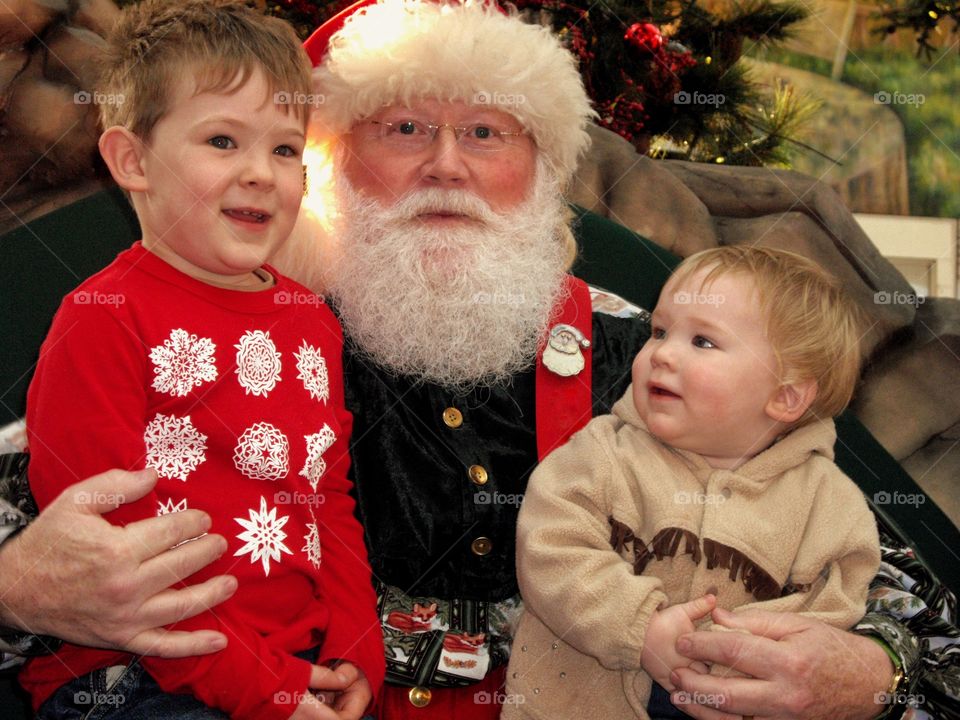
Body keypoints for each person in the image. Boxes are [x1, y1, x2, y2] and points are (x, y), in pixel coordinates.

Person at [1, 1, 957, 719]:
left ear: (542, 170)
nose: (447, 166)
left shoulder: (657, 352)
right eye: (405, 129)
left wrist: (867, 669)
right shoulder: (228, 335)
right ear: (329, 163)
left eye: (487, 133)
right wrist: (15, 589)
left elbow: (914, 604)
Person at [18, 1, 383, 718]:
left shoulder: (311, 322)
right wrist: (267, 691)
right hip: (136, 672)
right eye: (223, 140)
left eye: (284, 149)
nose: (260, 173)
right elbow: (118, 554)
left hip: (293, 662)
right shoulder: (102, 321)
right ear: (132, 161)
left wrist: (355, 648)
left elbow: (328, 500)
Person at [502, 246, 882, 719]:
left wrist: (735, 654)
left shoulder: (829, 502)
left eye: (702, 342)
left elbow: (837, 603)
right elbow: (549, 549)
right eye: (659, 331)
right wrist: (639, 627)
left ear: (785, 396)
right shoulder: (601, 453)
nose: (661, 354)